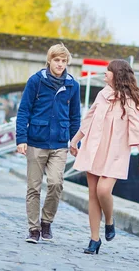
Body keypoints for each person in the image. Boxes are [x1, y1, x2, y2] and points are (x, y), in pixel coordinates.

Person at [70, 59, 139, 255]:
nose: (104, 73)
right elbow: (88, 118)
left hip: (115, 153)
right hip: (94, 149)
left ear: (117, 74)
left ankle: (109, 220)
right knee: (92, 195)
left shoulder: (129, 100)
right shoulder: (102, 95)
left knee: (103, 191)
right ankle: (94, 240)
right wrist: (75, 140)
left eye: (108, 70)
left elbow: (138, 129)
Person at [15, 43, 81, 244]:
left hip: (60, 144)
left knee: (55, 183)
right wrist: (21, 139)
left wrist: (75, 141)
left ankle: (46, 222)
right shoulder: (36, 81)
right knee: (33, 187)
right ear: (49, 61)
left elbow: (75, 117)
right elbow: (24, 110)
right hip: (36, 141)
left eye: (63, 61)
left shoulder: (73, 85)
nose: (60, 64)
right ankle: (34, 229)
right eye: (56, 60)